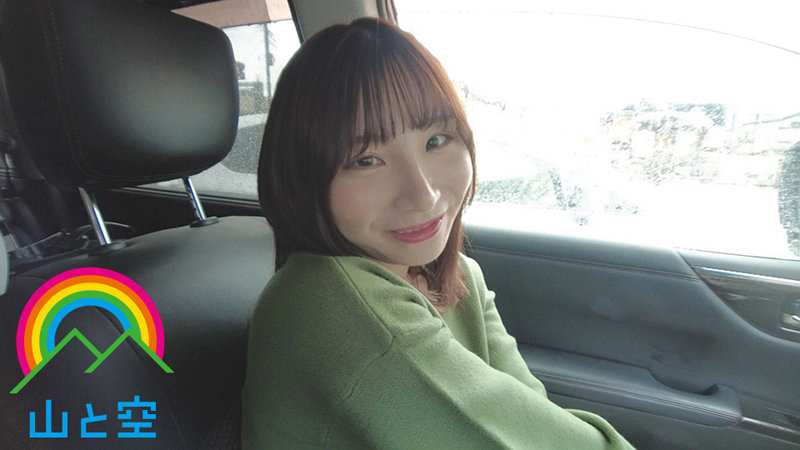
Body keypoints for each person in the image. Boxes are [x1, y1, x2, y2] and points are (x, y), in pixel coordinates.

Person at [242, 17, 634, 449]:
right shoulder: (332, 305)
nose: (424, 194)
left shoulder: (457, 273)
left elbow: (534, 420)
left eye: (437, 140)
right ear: (304, 178)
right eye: (366, 160)